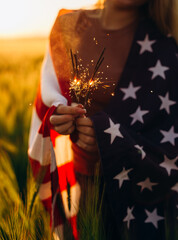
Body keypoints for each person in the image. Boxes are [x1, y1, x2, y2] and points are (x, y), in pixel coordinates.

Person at [28, 0, 178, 239]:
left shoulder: (167, 42)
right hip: (87, 191)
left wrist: (112, 141)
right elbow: (51, 95)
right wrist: (60, 117)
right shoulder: (68, 26)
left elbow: (170, 128)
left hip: (149, 198)